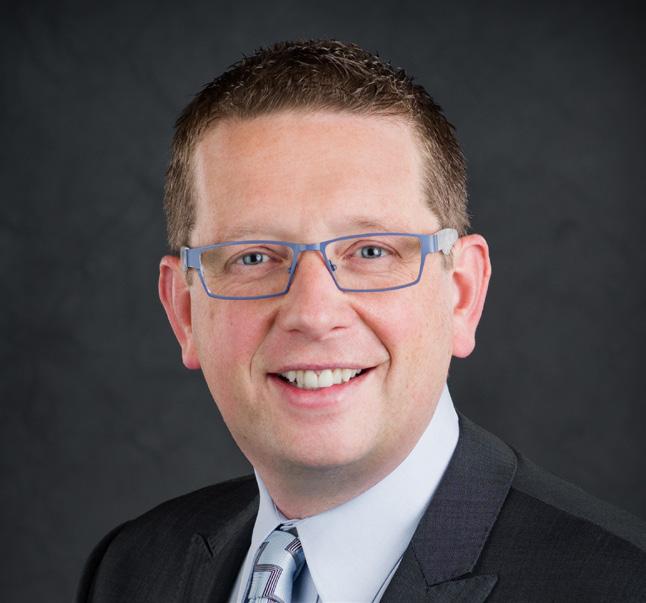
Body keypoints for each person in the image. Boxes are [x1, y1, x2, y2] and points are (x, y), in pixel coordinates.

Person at [77, 40, 646, 602]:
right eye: (253, 258)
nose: (314, 314)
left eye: (371, 251)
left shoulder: (620, 586)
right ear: (184, 311)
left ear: (462, 294)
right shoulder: (131, 570)